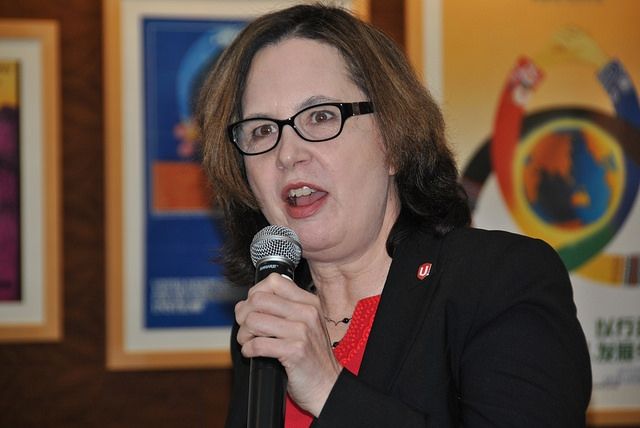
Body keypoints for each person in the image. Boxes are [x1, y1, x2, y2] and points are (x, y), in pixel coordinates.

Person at [196, 4, 592, 427]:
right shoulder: (269, 322)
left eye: (321, 117)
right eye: (261, 130)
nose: (287, 154)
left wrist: (327, 388)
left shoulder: (500, 280)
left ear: (393, 143)